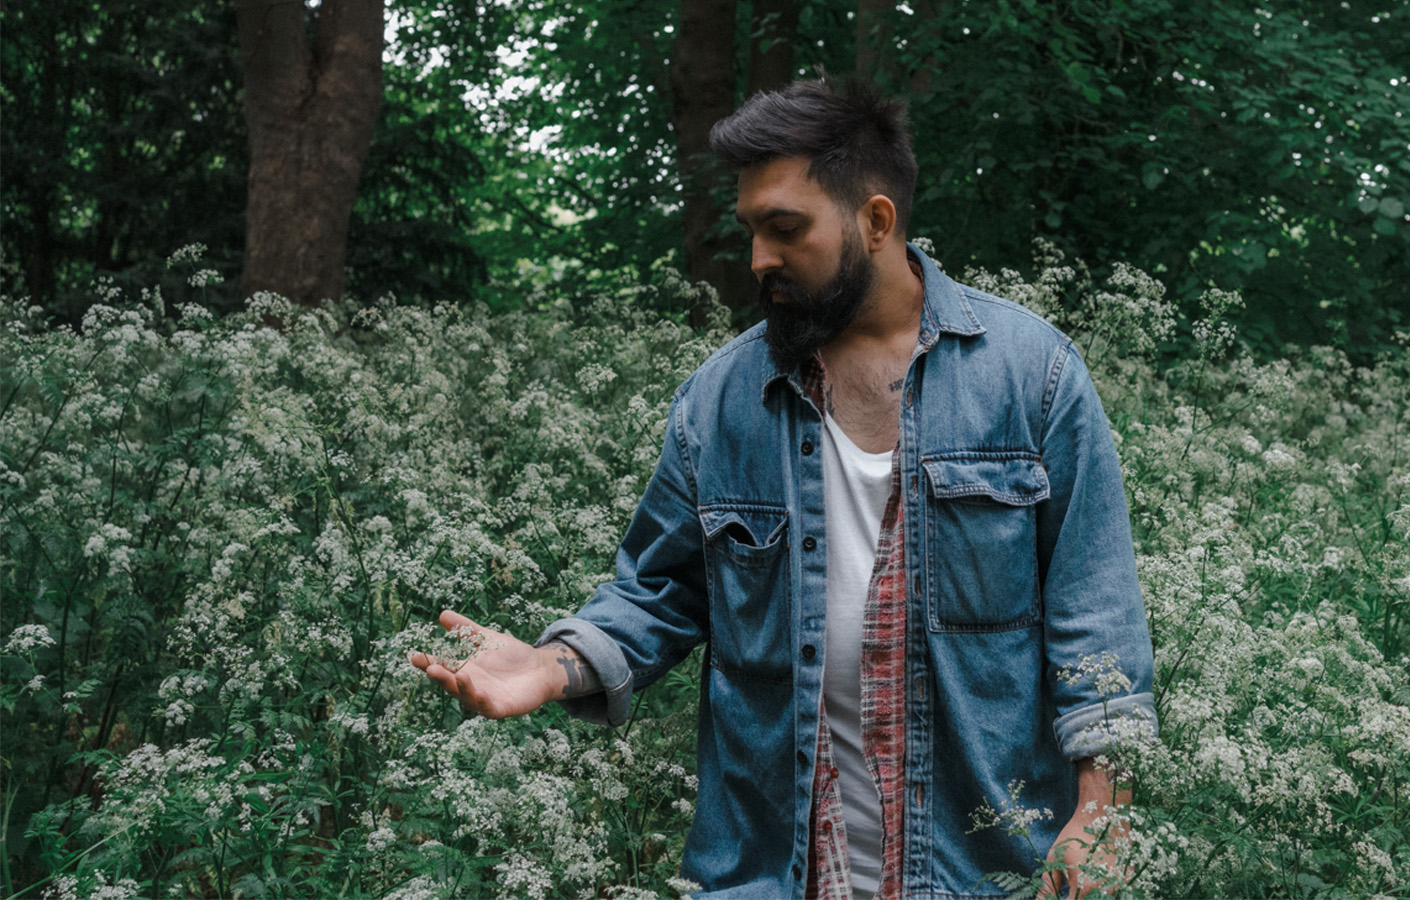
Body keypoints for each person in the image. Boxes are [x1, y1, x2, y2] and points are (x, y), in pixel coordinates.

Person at [411, 77, 1156, 899]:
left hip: (983, 873)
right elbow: (659, 590)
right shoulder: (719, 400)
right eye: (751, 231)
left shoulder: (1033, 377)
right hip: (771, 875)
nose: (759, 258)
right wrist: (552, 666)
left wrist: (1102, 816)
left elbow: (1097, 620)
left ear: (876, 221)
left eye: (786, 228)